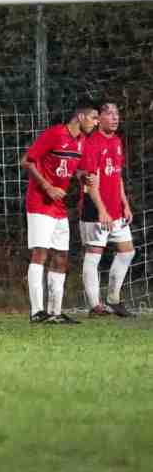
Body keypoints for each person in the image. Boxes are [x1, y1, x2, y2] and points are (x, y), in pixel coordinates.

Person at [21, 101, 98, 324]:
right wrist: (47, 186)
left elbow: (75, 170)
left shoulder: (82, 142)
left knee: (62, 256)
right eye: (93, 118)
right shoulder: (55, 134)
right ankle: (37, 311)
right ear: (81, 117)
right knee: (41, 253)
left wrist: (83, 177)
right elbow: (26, 161)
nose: (95, 122)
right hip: (40, 202)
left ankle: (55, 312)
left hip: (59, 206)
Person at [79, 100, 135, 318]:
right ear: (99, 118)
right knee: (94, 254)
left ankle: (113, 300)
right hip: (96, 210)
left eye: (117, 113)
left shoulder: (118, 142)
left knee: (127, 251)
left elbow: (117, 175)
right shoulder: (92, 143)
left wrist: (125, 204)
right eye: (109, 114)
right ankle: (95, 306)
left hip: (116, 211)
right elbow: (89, 182)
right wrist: (102, 210)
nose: (115, 118)